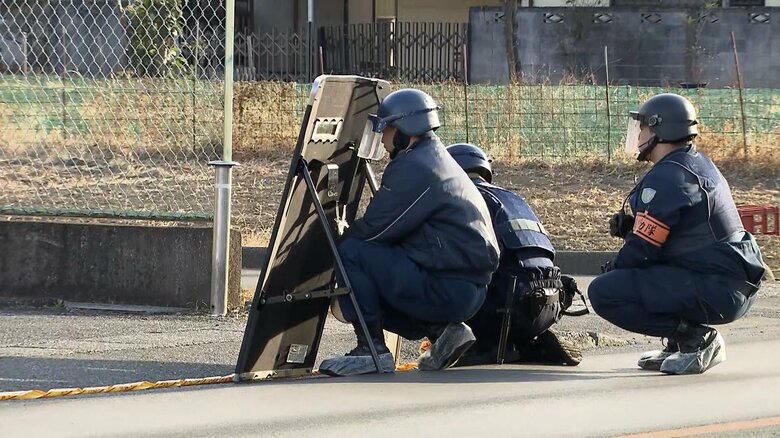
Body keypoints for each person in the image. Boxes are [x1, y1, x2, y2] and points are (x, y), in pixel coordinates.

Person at [318, 89, 501, 377]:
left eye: (386, 128)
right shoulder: (435, 157)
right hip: (466, 288)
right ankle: (443, 332)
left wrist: (334, 239)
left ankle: (371, 350)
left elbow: (374, 230)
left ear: (405, 128)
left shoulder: (414, 167)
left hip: (450, 289)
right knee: (375, 268)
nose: (381, 137)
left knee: (351, 253)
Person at [588, 93, 765, 375]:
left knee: (604, 292)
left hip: (717, 288)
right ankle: (679, 343)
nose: (639, 135)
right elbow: (677, 236)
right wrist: (634, 228)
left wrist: (615, 269)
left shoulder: (669, 177)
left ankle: (697, 339)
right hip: (727, 283)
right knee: (644, 275)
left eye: (643, 127)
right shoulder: (695, 163)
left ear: (660, 129)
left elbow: (642, 252)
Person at [445, 143, 584, 367]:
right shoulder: (515, 200)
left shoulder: (465, 199)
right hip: (547, 303)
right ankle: (530, 344)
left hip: (504, 308)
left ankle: (486, 346)